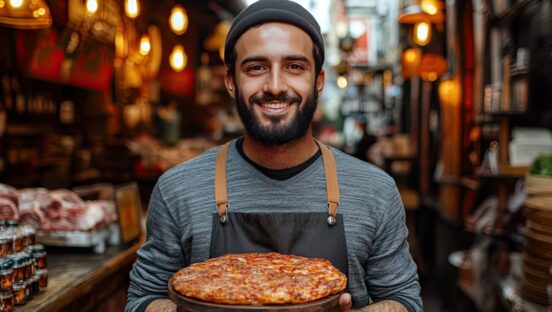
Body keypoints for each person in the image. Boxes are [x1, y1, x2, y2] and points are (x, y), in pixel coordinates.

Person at [125, 1, 422, 311]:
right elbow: (142, 300)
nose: (276, 86)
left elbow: (404, 301)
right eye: (256, 67)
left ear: (318, 81)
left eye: (294, 66)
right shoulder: (178, 189)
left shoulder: (376, 191)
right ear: (231, 82)